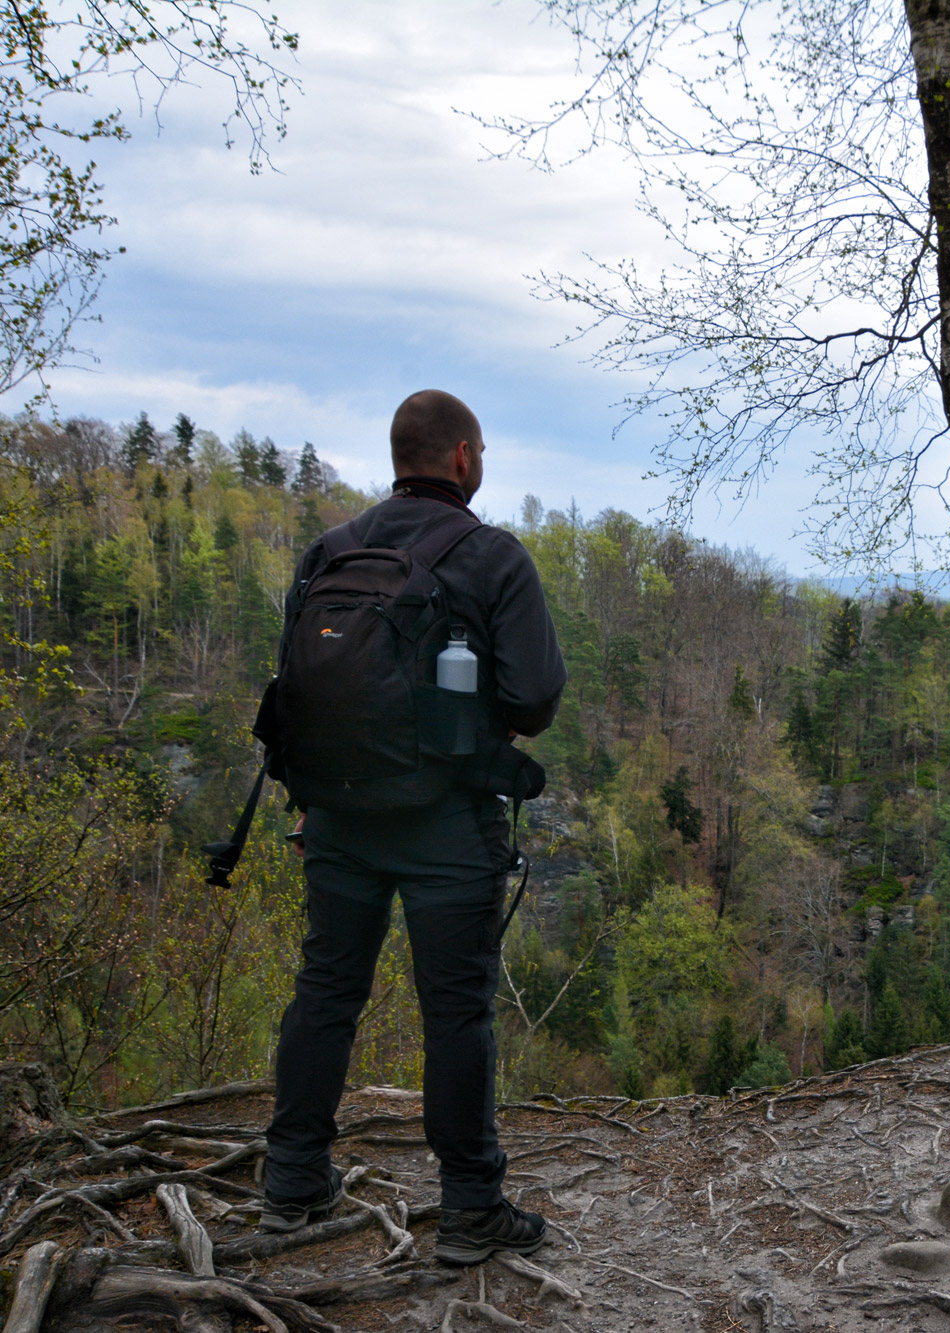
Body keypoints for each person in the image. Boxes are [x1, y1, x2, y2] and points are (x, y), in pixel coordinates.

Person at [258, 390, 567, 1265]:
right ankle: (471, 1207)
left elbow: (295, 686)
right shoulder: (493, 557)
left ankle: (291, 1184)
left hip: (339, 817)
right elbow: (537, 696)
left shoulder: (332, 550)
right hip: (448, 823)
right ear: (464, 457)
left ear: (401, 458)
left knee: (326, 992)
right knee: (456, 1011)